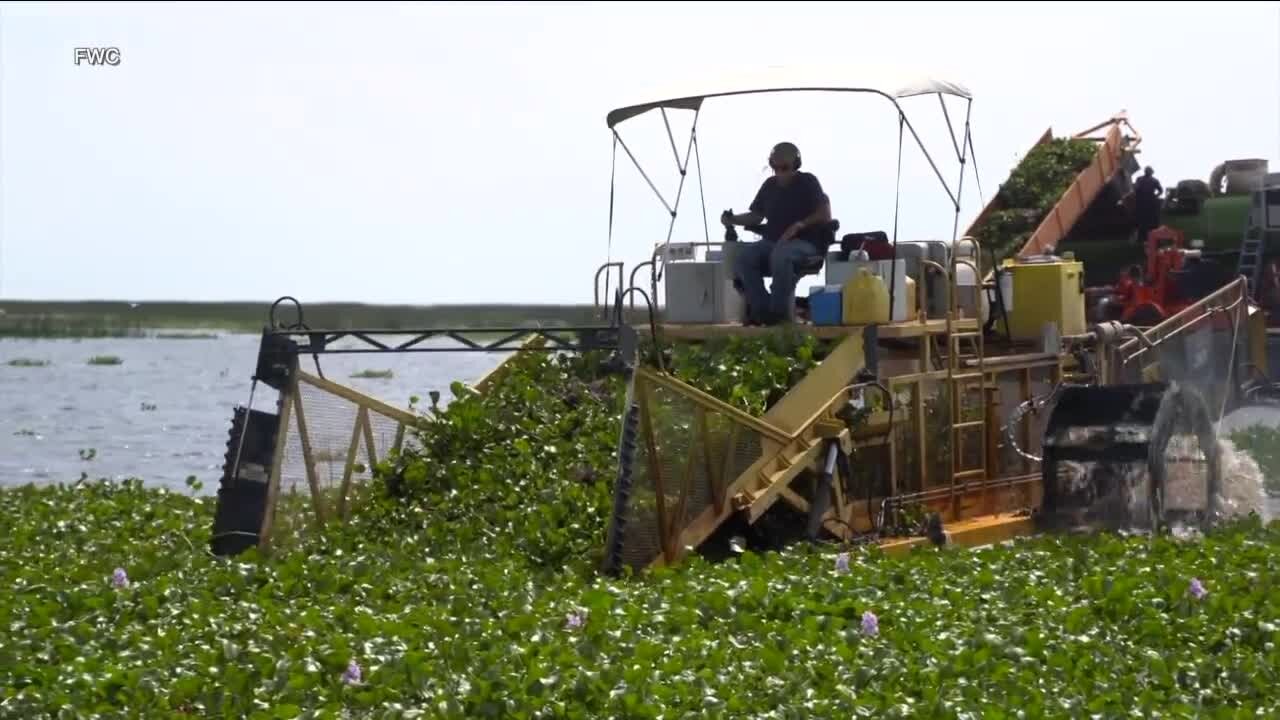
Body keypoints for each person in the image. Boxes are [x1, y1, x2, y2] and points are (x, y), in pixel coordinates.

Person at [722, 142, 833, 325]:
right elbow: (757, 216)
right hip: (772, 243)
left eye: (785, 168)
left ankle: (779, 316)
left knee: (782, 255)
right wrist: (732, 219)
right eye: (775, 168)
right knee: (743, 258)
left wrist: (799, 225)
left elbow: (825, 213)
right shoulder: (769, 186)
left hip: (805, 243)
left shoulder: (808, 182)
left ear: (796, 165)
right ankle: (763, 311)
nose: (780, 172)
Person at [1132, 166, 1164, 245]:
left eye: (1148, 171)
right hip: (1147, 202)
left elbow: (1161, 190)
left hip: (1144, 203)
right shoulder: (1151, 180)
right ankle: (1147, 238)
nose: (1148, 172)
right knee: (1149, 221)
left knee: (1145, 221)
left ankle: (1147, 238)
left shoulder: (1142, 179)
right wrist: (1155, 196)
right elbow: (1161, 191)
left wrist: (1155, 196)